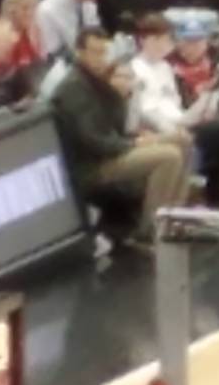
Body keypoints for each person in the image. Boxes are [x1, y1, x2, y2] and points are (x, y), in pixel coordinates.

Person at [49, 29, 190, 248]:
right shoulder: (73, 89)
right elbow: (95, 141)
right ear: (80, 53)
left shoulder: (98, 81)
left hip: (113, 148)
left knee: (183, 140)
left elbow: (116, 125)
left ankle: (175, 217)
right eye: (94, 52)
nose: (100, 58)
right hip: (93, 166)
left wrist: (136, 136)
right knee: (169, 156)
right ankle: (150, 230)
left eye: (104, 52)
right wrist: (134, 143)